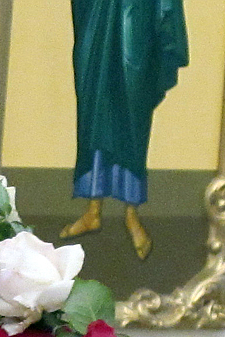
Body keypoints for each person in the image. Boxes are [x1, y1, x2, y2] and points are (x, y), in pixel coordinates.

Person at [61, 0, 189, 260]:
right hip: (95, 17)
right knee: (94, 111)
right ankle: (93, 211)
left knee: (132, 112)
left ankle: (131, 214)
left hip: (137, 17)